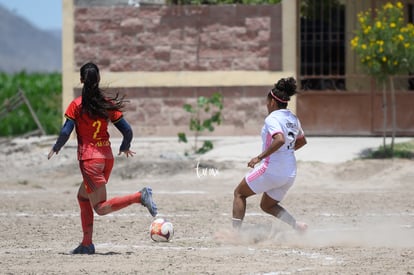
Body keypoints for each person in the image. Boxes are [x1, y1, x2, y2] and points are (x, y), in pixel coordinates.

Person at [48, 62, 157, 255]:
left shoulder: (77, 104)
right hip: (106, 158)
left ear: (81, 80)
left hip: (90, 161)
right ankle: (86, 244)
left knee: (100, 207)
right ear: (98, 79)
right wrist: (125, 147)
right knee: (83, 197)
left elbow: (66, 131)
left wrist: (56, 147)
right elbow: (127, 130)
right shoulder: (105, 104)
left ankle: (139, 196)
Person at [232, 77, 308, 234]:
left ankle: (235, 235)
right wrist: (286, 151)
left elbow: (279, 139)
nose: (266, 105)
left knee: (239, 193)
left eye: (267, 102)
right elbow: (302, 141)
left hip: (272, 169)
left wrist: (258, 158)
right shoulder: (293, 118)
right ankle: (297, 226)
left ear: (273, 102)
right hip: (290, 172)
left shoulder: (272, 118)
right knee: (267, 205)